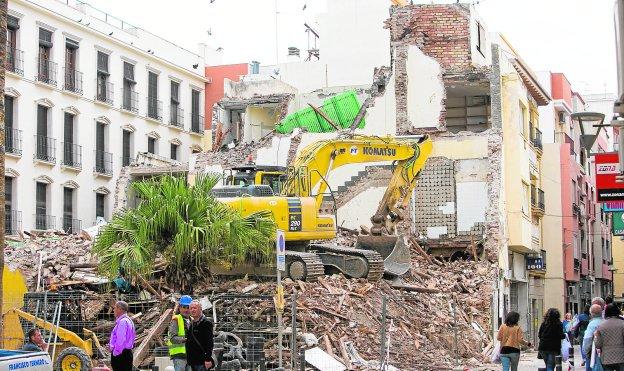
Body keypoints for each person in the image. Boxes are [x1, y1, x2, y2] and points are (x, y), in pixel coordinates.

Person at [186, 301, 214, 371]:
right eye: (191, 308)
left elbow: (209, 342)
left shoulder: (206, 323)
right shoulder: (192, 324)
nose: (192, 310)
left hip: (202, 362)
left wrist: (208, 359)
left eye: (195, 308)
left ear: (200, 309)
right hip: (192, 361)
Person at [595, 304, 624, 371]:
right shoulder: (623, 324)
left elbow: (598, 345)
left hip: (606, 358)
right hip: (621, 357)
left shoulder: (601, 326)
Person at [109, 301, 136, 371]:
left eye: (115, 308)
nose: (113, 310)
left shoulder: (123, 322)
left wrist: (115, 352)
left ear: (120, 309)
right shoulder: (128, 320)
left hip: (121, 355)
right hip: (126, 353)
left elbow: (121, 340)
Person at [168, 295, 192, 371]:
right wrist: (185, 340)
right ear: (180, 308)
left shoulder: (192, 320)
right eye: (184, 307)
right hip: (179, 356)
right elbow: (172, 338)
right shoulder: (176, 319)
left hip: (190, 355)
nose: (186, 310)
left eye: (188, 307)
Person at [583, 304, 605, 371]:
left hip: (595, 353)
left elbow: (587, 340)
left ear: (591, 314)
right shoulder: (605, 322)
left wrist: (586, 353)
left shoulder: (592, 324)